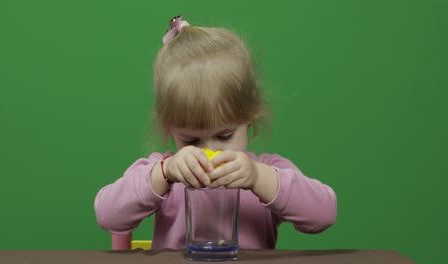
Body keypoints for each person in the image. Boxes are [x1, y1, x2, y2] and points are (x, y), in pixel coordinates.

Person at [94, 15, 337, 250]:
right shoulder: (166, 171)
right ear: (169, 128)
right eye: (191, 140)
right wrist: (165, 173)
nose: (210, 150)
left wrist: (257, 177)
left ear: (249, 117)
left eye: (224, 136)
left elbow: (325, 214)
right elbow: (108, 215)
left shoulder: (266, 170)